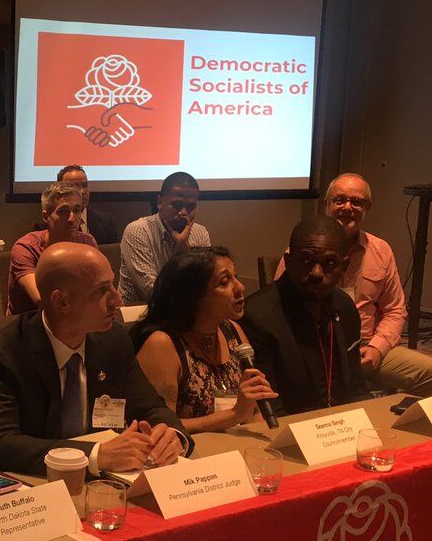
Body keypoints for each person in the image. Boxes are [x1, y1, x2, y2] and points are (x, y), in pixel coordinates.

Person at [0, 243, 189, 476]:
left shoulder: (113, 341)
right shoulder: (4, 352)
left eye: (113, 285)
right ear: (61, 302)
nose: (117, 299)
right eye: (102, 290)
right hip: (31, 484)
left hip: (106, 482)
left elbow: (151, 407)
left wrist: (171, 435)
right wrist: (95, 455)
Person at [272, 173, 432, 397]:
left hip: (365, 345)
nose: (347, 207)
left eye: (356, 202)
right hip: (315, 347)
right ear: (327, 204)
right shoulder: (300, 252)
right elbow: (278, 310)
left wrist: (377, 347)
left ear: (367, 208)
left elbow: (395, 310)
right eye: (339, 200)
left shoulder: (381, 250)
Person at [131, 247, 278, 433]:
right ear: (194, 296)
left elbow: (253, 411)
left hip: (235, 447)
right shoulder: (162, 344)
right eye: (224, 282)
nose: (240, 287)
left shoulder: (232, 330)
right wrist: (234, 415)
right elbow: (159, 426)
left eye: (235, 277)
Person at [242, 215, 371, 415]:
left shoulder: (345, 307)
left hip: (343, 422)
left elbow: (356, 386)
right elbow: (269, 407)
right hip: (291, 424)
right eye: (305, 260)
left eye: (329, 262)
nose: (316, 273)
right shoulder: (258, 316)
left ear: (344, 266)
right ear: (288, 262)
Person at [118, 171, 211, 305]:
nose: (183, 213)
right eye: (177, 205)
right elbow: (151, 292)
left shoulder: (200, 233)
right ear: (160, 202)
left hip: (185, 311)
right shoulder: (138, 231)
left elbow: (206, 285)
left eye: (191, 207)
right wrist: (184, 255)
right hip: (139, 311)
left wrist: (184, 249)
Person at [7, 180, 98, 314]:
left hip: (77, 316)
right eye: (63, 211)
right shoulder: (26, 248)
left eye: (76, 210)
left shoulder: (87, 242)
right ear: (46, 216)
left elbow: (99, 288)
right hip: (31, 320)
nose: (72, 218)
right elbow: (41, 300)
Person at [58, 165, 118, 246]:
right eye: (74, 186)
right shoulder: (49, 224)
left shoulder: (105, 222)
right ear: (60, 190)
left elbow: (112, 252)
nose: (82, 192)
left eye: (85, 185)